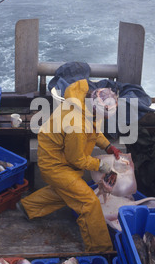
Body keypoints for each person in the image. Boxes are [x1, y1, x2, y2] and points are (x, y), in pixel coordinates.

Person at [17, 79, 121, 252]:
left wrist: (108, 146)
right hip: (55, 165)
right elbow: (77, 159)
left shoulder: (86, 104)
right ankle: (100, 249)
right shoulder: (76, 124)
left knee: (66, 192)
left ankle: (28, 207)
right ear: (95, 107)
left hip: (63, 157)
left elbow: (94, 130)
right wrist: (103, 166)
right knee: (88, 202)